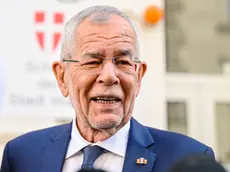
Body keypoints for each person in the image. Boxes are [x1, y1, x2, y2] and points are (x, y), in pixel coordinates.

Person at [1, 5, 215, 172]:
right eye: (93, 62)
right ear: (62, 76)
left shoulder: (187, 158)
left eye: (122, 62)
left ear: (139, 76)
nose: (109, 76)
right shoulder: (21, 155)